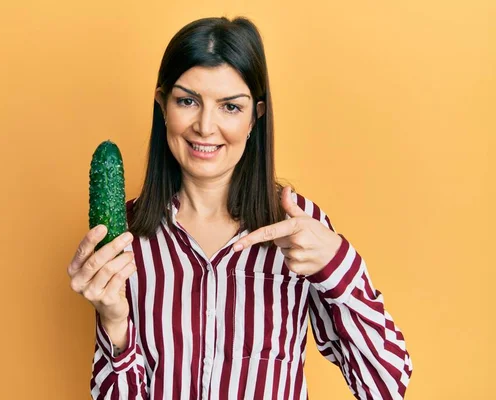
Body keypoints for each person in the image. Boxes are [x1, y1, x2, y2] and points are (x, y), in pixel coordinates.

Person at [67, 16, 413, 399]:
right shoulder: (125, 238)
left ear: (255, 117)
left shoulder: (300, 228)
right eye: (187, 101)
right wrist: (114, 325)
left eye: (230, 107)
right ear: (162, 104)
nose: (205, 126)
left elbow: (387, 384)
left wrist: (338, 265)